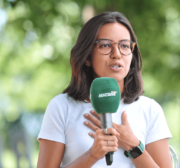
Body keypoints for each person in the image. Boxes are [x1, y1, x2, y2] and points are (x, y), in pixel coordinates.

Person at [37, 11, 172, 168]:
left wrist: (132, 144)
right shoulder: (61, 107)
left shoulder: (149, 109)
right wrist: (92, 155)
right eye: (105, 45)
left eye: (124, 45)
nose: (116, 54)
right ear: (87, 56)